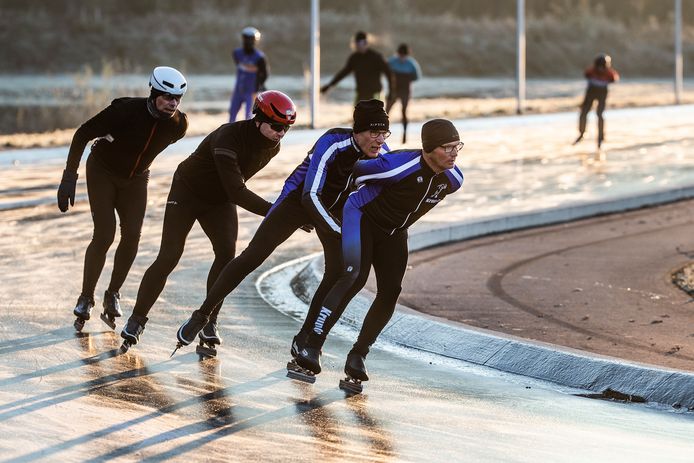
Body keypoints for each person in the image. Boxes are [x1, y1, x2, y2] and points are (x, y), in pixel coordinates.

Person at [174, 99, 392, 355]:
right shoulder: (332, 142)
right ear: (358, 132)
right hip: (298, 201)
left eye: (384, 133)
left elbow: (390, 184)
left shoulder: (382, 152)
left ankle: (304, 338)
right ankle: (202, 315)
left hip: (332, 208)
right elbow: (310, 195)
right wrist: (334, 228)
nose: (380, 140)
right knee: (252, 257)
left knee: (336, 271)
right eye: (374, 133)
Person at [119, 90, 296, 351]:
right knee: (170, 255)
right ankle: (137, 319)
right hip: (188, 190)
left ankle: (209, 321)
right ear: (258, 119)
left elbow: (234, 188)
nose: (281, 133)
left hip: (220, 199)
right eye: (277, 126)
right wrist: (278, 213)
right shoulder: (228, 136)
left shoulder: (274, 146)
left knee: (227, 255)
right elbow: (238, 191)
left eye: (287, 129)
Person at [294, 119, 465, 389]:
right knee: (354, 277)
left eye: (458, 147)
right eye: (449, 147)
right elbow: (357, 169)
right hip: (362, 218)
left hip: (394, 231)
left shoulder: (453, 179)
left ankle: (358, 355)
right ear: (430, 149)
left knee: (391, 290)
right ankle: (311, 346)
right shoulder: (396, 166)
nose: (455, 153)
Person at [58, 66, 189, 332]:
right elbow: (82, 134)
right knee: (104, 234)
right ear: (153, 93)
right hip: (103, 171)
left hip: (136, 179)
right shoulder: (124, 110)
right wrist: (69, 176)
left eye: (177, 98)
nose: (172, 103)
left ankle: (113, 293)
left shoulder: (179, 125)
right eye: (166, 96)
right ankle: (86, 297)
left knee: (132, 236)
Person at [321, 31, 393, 104]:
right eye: (357, 43)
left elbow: (389, 74)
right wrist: (329, 85)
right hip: (361, 94)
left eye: (361, 43)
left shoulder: (376, 57)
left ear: (366, 43)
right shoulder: (354, 58)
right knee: (357, 115)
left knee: (373, 115)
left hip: (375, 94)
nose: (358, 46)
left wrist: (391, 92)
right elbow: (343, 73)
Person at [574, 53, 619, 148]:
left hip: (602, 93)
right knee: (584, 112)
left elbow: (614, 79)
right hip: (591, 92)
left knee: (599, 114)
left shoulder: (609, 73)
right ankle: (582, 133)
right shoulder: (590, 71)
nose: (600, 69)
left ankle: (601, 136)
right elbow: (586, 74)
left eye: (602, 67)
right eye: (598, 66)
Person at [229, 26, 269, 122]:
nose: (248, 42)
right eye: (246, 39)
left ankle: (247, 135)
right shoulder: (237, 53)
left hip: (251, 91)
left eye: (251, 39)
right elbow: (238, 64)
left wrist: (260, 85)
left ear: (255, 40)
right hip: (238, 89)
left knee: (249, 116)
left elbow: (265, 73)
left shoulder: (259, 57)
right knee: (232, 113)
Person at [385, 43, 421, 144]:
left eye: (404, 56)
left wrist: (407, 78)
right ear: (398, 54)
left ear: (407, 55)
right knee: (386, 112)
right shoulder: (392, 61)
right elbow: (385, 71)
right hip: (393, 90)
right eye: (400, 56)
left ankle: (405, 135)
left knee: (404, 112)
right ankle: (382, 132)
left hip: (405, 90)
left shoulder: (411, 63)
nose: (402, 58)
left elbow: (417, 76)